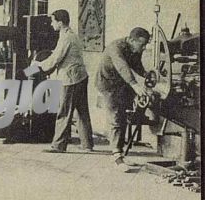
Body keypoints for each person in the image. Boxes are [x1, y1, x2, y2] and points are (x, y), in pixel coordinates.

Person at [35, 9, 94, 153]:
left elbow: (56, 58)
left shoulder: (66, 37)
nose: (51, 24)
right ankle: (87, 145)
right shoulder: (70, 35)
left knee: (64, 112)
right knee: (82, 112)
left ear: (60, 23)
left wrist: (39, 65)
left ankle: (58, 145)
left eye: (53, 21)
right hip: (80, 77)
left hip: (70, 79)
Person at [95, 27, 152, 171]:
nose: (144, 48)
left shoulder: (134, 49)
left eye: (145, 45)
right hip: (107, 84)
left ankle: (119, 152)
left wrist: (146, 75)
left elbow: (136, 64)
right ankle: (116, 157)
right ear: (132, 40)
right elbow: (122, 67)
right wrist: (134, 85)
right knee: (115, 117)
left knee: (122, 115)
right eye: (142, 45)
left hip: (120, 84)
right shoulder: (116, 48)